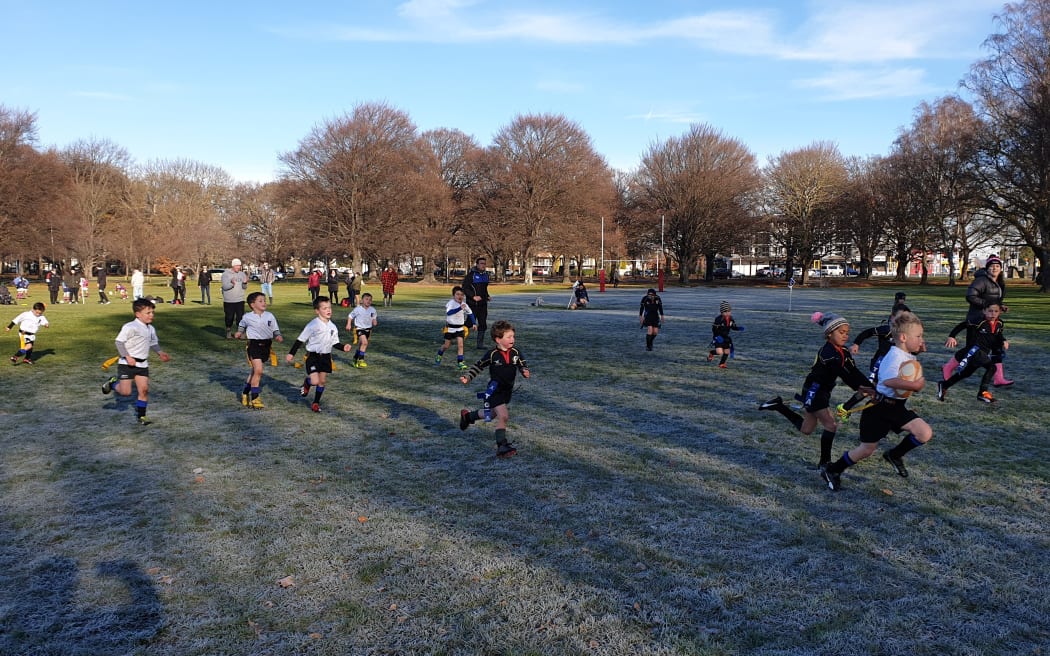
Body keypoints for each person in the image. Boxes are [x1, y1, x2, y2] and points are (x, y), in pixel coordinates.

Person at [820, 311, 932, 491]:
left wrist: (918, 349)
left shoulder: (905, 352)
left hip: (897, 407)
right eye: (918, 336)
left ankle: (894, 455)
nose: (921, 339)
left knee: (924, 433)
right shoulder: (894, 356)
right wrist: (915, 386)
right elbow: (888, 381)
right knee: (866, 450)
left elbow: (906, 370)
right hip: (879, 409)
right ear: (903, 337)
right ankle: (833, 469)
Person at [759, 312, 874, 468]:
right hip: (814, 390)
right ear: (829, 333)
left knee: (806, 429)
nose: (845, 336)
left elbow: (853, 371)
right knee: (831, 425)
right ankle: (824, 463)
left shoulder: (844, 351)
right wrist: (859, 387)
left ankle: (778, 405)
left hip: (823, 391)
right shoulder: (827, 352)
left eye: (847, 333)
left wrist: (871, 387)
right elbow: (842, 373)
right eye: (841, 332)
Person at [458, 319, 530, 458]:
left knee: (491, 414)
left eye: (513, 336)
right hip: (494, 389)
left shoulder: (516, 352)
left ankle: (467, 416)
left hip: (507, 390)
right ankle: (501, 446)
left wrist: (524, 370)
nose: (512, 339)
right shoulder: (492, 354)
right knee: (503, 416)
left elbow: (522, 364)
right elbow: (478, 366)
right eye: (509, 337)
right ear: (498, 339)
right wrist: (468, 377)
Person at [101, 298, 172, 426]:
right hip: (127, 364)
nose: (151, 315)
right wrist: (127, 357)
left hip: (142, 364)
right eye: (148, 313)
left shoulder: (151, 329)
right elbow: (119, 342)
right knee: (126, 392)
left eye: (152, 313)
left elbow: (153, 342)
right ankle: (112, 384)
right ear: (138, 314)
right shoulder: (130, 327)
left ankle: (142, 416)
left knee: (144, 390)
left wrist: (160, 352)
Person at [945, 256, 1012, 386]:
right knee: (971, 350)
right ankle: (948, 367)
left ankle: (998, 378)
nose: (995, 268)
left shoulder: (999, 283)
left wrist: (1000, 306)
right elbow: (970, 296)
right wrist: (988, 305)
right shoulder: (981, 280)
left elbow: (995, 300)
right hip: (976, 320)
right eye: (992, 266)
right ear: (987, 268)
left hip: (991, 320)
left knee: (997, 347)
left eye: (997, 266)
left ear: (1001, 269)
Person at [836, 300, 911, 417]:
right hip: (879, 364)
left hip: (892, 368)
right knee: (870, 389)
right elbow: (867, 333)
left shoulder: (906, 334)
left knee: (883, 393)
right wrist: (856, 344)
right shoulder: (886, 330)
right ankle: (845, 408)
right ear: (892, 318)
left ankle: (876, 414)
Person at [285, 296, 352, 413]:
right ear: (317, 311)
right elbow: (300, 340)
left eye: (329, 307)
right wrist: (291, 353)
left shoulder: (333, 327)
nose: (328, 310)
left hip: (326, 357)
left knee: (322, 382)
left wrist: (343, 347)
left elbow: (335, 343)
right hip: (313, 356)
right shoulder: (313, 324)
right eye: (325, 308)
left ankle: (315, 403)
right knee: (315, 381)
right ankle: (307, 383)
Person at [938, 303, 1008, 405]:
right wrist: (952, 336)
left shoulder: (1000, 323)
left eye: (996, 311)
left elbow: (998, 335)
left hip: (983, 352)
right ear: (984, 311)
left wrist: (1003, 341)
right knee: (992, 367)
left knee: (967, 373)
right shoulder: (978, 322)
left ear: (1000, 312)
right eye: (990, 311)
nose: (993, 314)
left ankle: (944, 385)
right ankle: (982, 392)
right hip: (974, 350)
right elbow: (962, 325)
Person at [234, 291, 283, 409]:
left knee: (254, 372)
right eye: (260, 301)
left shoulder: (270, 315)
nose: (264, 303)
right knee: (259, 370)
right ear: (252, 305)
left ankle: (245, 392)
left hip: (266, 345)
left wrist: (278, 335)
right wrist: (239, 332)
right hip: (254, 344)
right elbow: (242, 325)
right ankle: (255, 398)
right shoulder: (247, 317)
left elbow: (275, 328)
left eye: (264, 300)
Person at [435, 286, 475, 370]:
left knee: (460, 345)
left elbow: (470, 313)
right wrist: (459, 308)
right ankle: (439, 354)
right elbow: (449, 313)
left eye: (462, 295)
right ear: (453, 295)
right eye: (457, 294)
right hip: (450, 328)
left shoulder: (464, 305)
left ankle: (460, 362)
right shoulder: (451, 303)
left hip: (460, 328)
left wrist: (474, 323)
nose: (460, 296)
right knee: (446, 345)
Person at [462, 257, 491, 349]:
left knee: (482, 323)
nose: (483, 265)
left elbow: (484, 289)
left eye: (484, 264)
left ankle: (480, 344)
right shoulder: (471, 275)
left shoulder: (486, 275)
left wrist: (487, 296)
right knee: (470, 323)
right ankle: (456, 336)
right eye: (481, 263)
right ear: (477, 264)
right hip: (472, 304)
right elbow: (465, 288)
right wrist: (473, 296)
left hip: (482, 304)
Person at [708, 300, 744, 368]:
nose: (727, 313)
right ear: (721, 312)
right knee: (719, 352)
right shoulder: (718, 319)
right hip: (718, 338)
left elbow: (733, 327)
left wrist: (738, 328)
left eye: (729, 311)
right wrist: (716, 337)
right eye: (725, 312)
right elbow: (714, 329)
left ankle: (722, 364)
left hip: (726, 338)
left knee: (727, 352)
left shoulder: (731, 319)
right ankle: (712, 353)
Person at [221, 258, 250, 339]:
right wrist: (232, 284)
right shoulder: (226, 274)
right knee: (229, 317)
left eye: (240, 266)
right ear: (233, 265)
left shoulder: (242, 274)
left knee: (240, 317)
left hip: (240, 300)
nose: (239, 267)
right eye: (237, 265)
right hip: (229, 300)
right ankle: (228, 331)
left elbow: (244, 287)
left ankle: (241, 333)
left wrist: (245, 283)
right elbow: (225, 287)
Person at [347, 292, 378, 368]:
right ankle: (361, 360)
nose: (368, 301)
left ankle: (355, 358)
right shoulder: (358, 309)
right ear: (362, 300)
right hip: (359, 329)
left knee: (361, 345)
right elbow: (350, 316)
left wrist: (374, 321)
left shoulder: (373, 310)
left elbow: (374, 317)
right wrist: (348, 324)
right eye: (366, 299)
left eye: (370, 300)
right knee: (364, 343)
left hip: (368, 330)